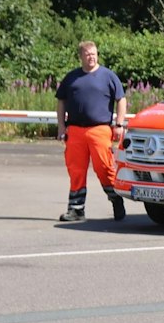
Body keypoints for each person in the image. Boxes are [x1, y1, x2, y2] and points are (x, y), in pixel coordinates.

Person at [54, 41, 128, 222]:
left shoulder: (108, 76)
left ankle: (116, 199)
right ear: (81, 56)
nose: (91, 57)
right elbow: (61, 102)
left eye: (94, 54)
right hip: (75, 130)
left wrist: (118, 124)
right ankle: (76, 209)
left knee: (104, 168)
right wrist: (61, 126)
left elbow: (121, 99)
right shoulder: (71, 78)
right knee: (76, 170)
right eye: (87, 54)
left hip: (100, 130)